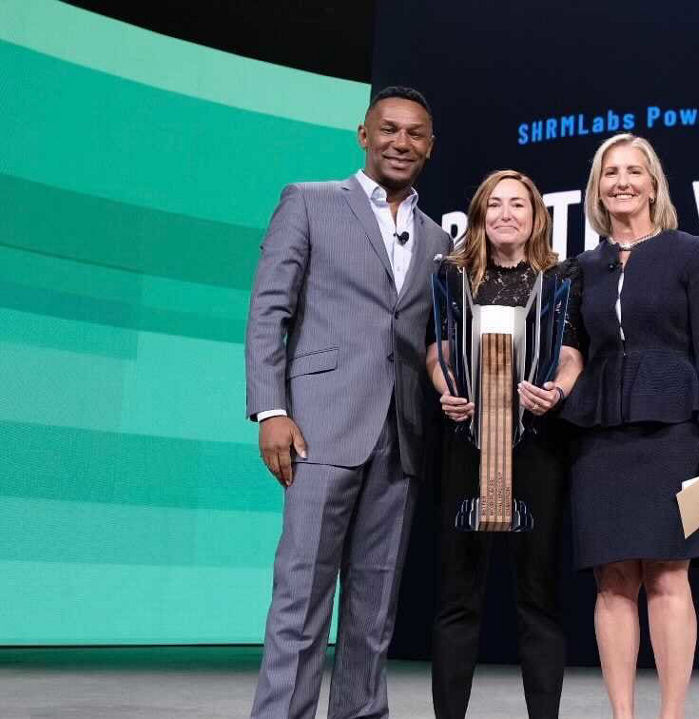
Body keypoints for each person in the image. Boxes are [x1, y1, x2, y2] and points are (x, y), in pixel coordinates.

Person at [244, 86, 452, 719]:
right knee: (301, 601)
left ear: (430, 146)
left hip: (400, 439)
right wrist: (271, 410)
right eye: (388, 130)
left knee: (374, 609)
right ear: (363, 134)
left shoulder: (438, 239)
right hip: (318, 428)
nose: (401, 143)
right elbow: (268, 311)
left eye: (415, 134)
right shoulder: (308, 202)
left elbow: (425, 343)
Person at [560, 134, 699, 719]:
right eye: (611, 172)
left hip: (675, 435)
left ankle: (671, 715)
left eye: (635, 171)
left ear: (654, 184)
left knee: (667, 574)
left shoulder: (690, 254)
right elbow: (570, 354)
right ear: (597, 187)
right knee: (612, 580)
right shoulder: (580, 269)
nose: (622, 182)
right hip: (601, 436)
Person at [426, 170, 585, 719]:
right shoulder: (450, 277)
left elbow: (570, 352)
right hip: (466, 443)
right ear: (479, 216)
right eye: (493, 205)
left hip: (538, 447)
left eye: (518, 204)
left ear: (537, 215)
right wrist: (447, 389)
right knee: (457, 595)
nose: (505, 214)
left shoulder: (563, 278)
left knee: (538, 596)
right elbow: (437, 348)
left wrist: (556, 391)